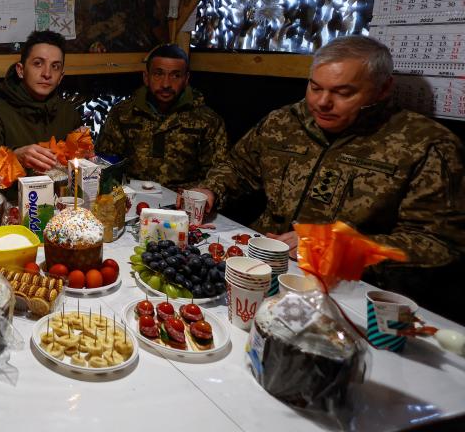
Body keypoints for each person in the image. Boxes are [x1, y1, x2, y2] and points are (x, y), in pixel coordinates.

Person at [191, 36, 465, 313]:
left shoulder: (425, 144)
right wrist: (211, 189)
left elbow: (437, 245)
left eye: (343, 93)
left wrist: (336, 246)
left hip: (349, 291)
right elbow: (239, 167)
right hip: (258, 266)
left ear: (383, 90)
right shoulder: (285, 121)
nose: (322, 102)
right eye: (315, 87)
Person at [97, 43, 228, 189]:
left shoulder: (207, 121)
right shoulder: (122, 114)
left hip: (184, 202)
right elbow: (105, 163)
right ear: (146, 77)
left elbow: (218, 174)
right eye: (158, 74)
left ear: (186, 79)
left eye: (176, 75)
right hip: (131, 197)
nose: (166, 84)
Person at [0, 30, 82, 179]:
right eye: (38, 63)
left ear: (61, 77)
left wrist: (84, 155)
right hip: (12, 200)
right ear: (21, 70)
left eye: (55, 66)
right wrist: (16, 158)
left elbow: (78, 166)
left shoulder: (68, 113)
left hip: (62, 199)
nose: (47, 74)